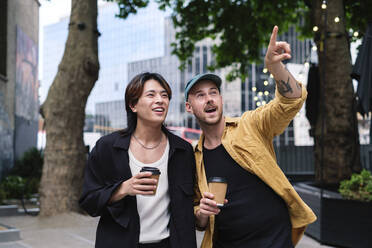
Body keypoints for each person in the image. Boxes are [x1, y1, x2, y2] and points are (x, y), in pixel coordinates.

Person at [185, 26, 317, 248]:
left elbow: (292, 101)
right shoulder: (193, 158)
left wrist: (275, 67)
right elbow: (197, 216)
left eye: (213, 92)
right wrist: (202, 214)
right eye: (200, 95)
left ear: (221, 99)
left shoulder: (250, 124)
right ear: (189, 107)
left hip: (275, 241)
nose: (209, 99)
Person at [79, 72, 197, 248]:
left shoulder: (183, 151)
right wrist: (122, 189)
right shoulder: (107, 148)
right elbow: (88, 202)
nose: (160, 100)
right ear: (133, 105)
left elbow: (189, 209)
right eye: (151, 95)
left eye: (164, 95)